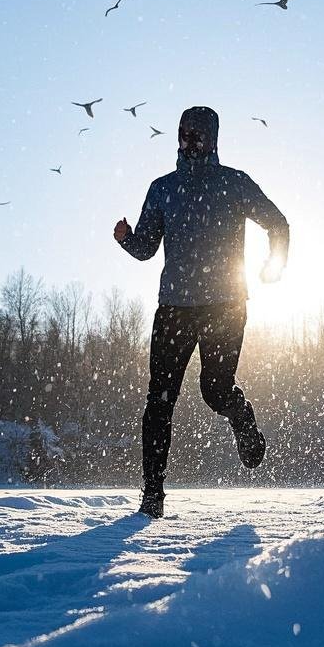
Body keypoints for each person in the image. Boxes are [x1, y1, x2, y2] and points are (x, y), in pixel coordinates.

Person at [114, 106, 289, 519]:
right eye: (183, 134)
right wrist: (125, 239)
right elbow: (145, 248)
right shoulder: (162, 188)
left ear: (213, 139)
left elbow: (278, 224)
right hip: (174, 308)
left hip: (226, 305)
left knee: (215, 390)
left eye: (197, 135)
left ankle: (242, 417)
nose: (189, 142)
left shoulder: (234, 183)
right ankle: (152, 495)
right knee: (160, 400)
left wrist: (274, 264)